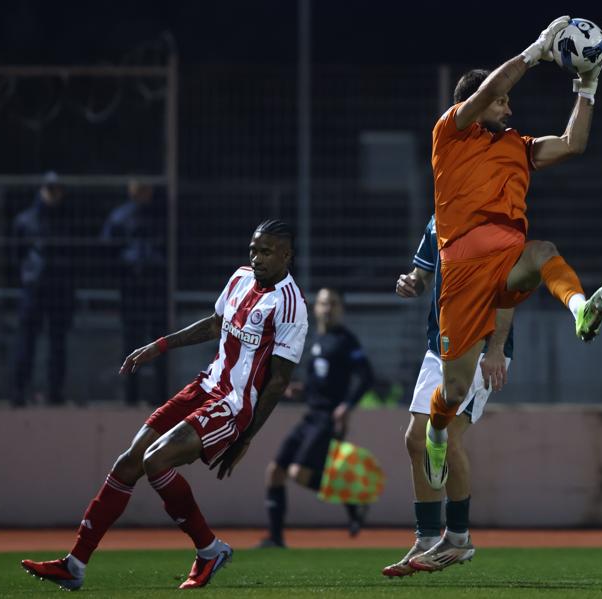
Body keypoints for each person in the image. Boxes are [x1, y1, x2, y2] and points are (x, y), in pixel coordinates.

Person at [418, 16, 602, 570]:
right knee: (454, 391)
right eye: (502, 103)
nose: (509, 108)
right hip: (461, 272)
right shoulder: (451, 134)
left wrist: (588, 86)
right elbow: (488, 91)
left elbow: (573, 143)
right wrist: (536, 51)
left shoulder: (518, 147)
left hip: (506, 261)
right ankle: (437, 431)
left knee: (544, 250)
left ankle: (580, 309)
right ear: (478, 104)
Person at [20, 219, 308, 591]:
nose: (257, 258)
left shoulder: (290, 305)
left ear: (286, 255)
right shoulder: (240, 277)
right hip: (204, 387)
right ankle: (74, 565)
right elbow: (214, 325)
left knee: (155, 460)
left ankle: (209, 550)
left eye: (266, 251)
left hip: (233, 405)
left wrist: (246, 437)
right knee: (128, 462)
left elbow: (279, 381)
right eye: (253, 249)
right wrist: (159, 346)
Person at [382, 215, 514, 577]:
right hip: (439, 343)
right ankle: (426, 539)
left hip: (479, 346)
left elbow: (508, 291)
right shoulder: (438, 218)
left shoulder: (495, 216)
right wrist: (411, 282)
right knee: (416, 439)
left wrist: (497, 348)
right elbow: (422, 274)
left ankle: (457, 538)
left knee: (447, 435)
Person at [259, 287, 374, 548]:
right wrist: (300, 390)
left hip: (326, 419)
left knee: (298, 473)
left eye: (333, 303)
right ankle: (275, 539)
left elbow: (367, 377)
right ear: (315, 308)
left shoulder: (346, 341)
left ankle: (352, 499)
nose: (327, 308)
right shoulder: (316, 339)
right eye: (323, 303)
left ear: (341, 309)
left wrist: (346, 406)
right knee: (275, 471)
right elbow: (321, 382)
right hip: (310, 416)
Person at [11, 172, 76, 406]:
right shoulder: (26, 220)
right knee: (26, 342)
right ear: (41, 190)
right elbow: (16, 254)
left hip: (59, 288)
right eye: (49, 189)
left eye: (57, 189)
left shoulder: (67, 220)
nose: (53, 194)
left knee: (57, 344)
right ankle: (19, 391)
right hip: (34, 287)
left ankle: (55, 392)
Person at [101, 179, 167, 405]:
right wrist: (123, 270)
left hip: (156, 285)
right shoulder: (121, 217)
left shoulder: (161, 216)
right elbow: (107, 249)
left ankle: (160, 395)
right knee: (132, 341)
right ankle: (131, 395)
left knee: (160, 342)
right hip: (132, 286)